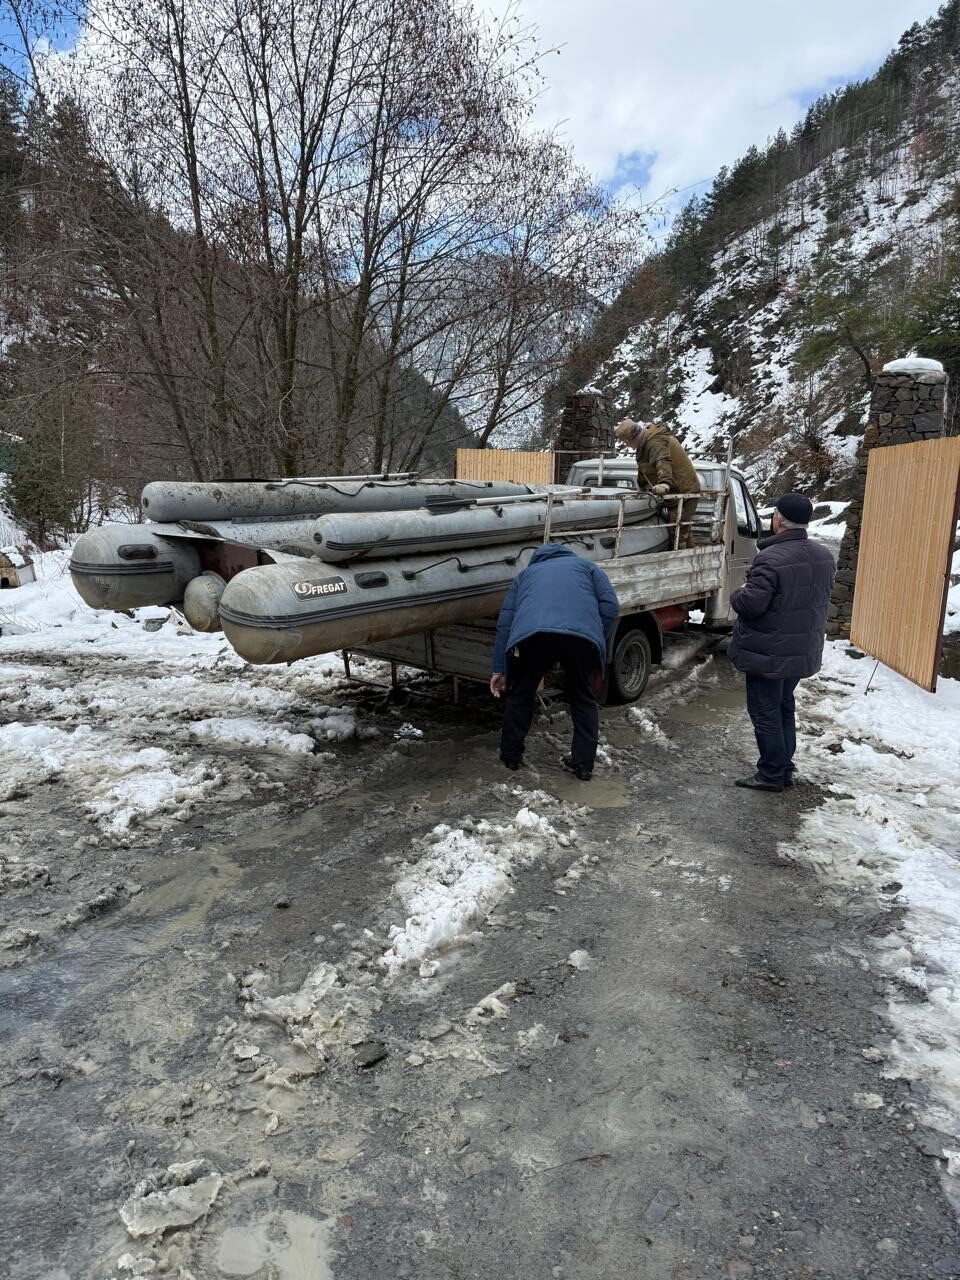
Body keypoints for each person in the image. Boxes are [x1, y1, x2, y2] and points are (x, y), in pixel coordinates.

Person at [728, 493, 835, 792]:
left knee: (765, 712)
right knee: (784, 706)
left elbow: (752, 604)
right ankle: (783, 768)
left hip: (768, 652)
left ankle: (771, 774)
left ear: (778, 520)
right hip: (800, 649)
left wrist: (738, 592)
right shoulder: (824, 555)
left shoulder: (770, 558)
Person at [490, 544, 620, 781]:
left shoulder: (525, 575)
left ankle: (510, 757)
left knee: (521, 693)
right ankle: (583, 765)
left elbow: (505, 623)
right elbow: (611, 607)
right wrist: (596, 637)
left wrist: (500, 668)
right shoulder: (587, 567)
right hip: (580, 639)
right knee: (583, 698)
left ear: (537, 559)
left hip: (535, 638)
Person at [614, 418, 701, 549]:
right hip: (675, 491)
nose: (627, 446)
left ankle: (680, 556)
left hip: (684, 491)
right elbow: (644, 468)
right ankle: (692, 555)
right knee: (682, 529)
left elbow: (662, 461)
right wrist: (641, 488)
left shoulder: (655, 442)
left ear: (628, 441)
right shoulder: (644, 444)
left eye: (626, 443)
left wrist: (664, 483)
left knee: (677, 532)